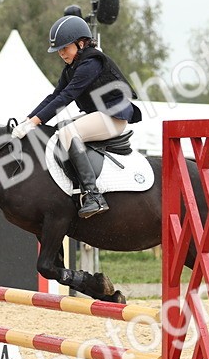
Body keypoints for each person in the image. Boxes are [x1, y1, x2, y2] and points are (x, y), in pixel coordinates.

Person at [12, 15, 143, 218]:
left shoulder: (91, 63)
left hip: (114, 116)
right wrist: (28, 120)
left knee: (68, 132)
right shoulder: (72, 68)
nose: (61, 53)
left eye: (65, 47)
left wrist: (35, 122)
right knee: (60, 129)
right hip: (101, 114)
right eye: (59, 50)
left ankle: (94, 195)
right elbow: (54, 96)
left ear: (81, 43)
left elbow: (67, 97)